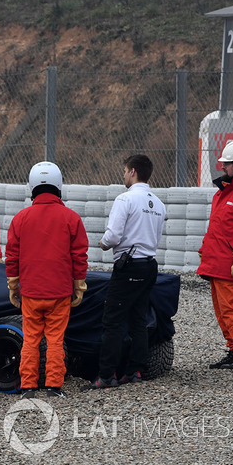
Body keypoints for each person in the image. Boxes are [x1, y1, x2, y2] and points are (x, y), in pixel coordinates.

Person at [5, 162, 88, 399]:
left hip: (30, 292)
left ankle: (28, 387)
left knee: (30, 340)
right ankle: (53, 386)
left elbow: (12, 255)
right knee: (55, 340)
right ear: (59, 186)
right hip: (60, 292)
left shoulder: (20, 218)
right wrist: (79, 285)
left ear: (32, 187)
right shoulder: (71, 218)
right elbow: (79, 255)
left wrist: (13, 285)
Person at [89, 154, 166, 389]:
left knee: (112, 321)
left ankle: (106, 376)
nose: (123, 175)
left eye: (124, 171)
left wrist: (102, 243)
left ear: (133, 171)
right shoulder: (159, 204)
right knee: (138, 320)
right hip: (149, 265)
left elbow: (113, 236)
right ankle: (134, 372)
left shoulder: (125, 199)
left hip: (128, 265)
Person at [198, 140, 233, 371]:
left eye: (227, 164)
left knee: (232, 308)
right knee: (222, 310)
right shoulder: (225, 192)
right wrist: (204, 249)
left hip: (231, 263)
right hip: (218, 262)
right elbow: (217, 227)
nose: (223, 168)